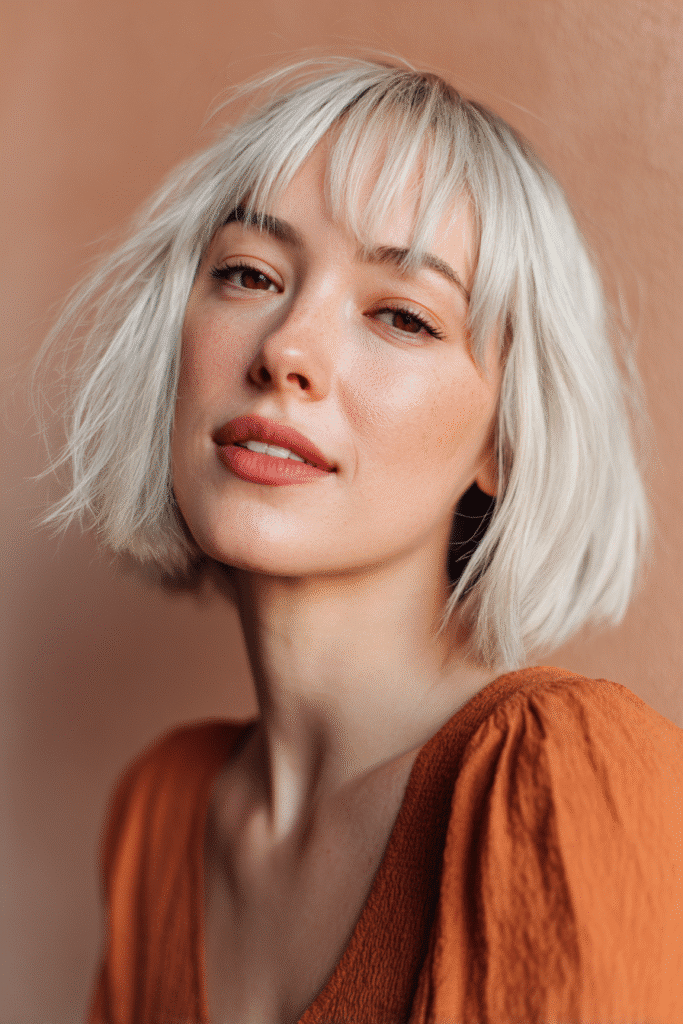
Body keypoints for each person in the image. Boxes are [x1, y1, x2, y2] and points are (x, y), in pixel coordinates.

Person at [41, 57, 682, 1023]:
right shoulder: (161, 815)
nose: (285, 351)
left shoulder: (557, 775)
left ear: (504, 442)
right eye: (249, 275)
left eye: (400, 315)